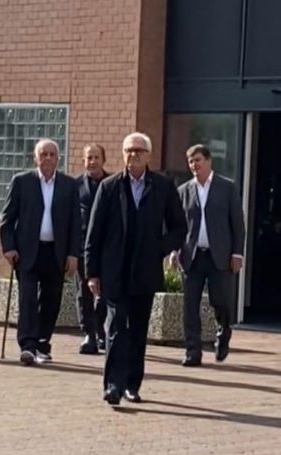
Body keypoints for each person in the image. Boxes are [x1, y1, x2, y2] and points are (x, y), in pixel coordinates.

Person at [85, 132, 186, 405]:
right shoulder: (109, 187)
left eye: (139, 150)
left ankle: (132, 384)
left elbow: (179, 227)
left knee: (139, 330)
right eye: (129, 150)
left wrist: (160, 247)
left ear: (148, 155)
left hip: (145, 270)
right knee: (116, 326)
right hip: (114, 270)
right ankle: (113, 385)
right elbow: (94, 233)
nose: (134, 155)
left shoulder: (163, 186)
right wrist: (92, 272)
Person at [0, 138, 80, 366]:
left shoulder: (69, 185)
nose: (47, 158)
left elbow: (76, 222)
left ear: (58, 158)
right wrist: (9, 247)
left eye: (52, 154)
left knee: (51, 300)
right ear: (35, 158)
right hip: (27, 252)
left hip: (56, 252)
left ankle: (42, 344)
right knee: (27, 298)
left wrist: (73, 253)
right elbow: (7, 218)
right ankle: (27, 345)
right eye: (43, 154)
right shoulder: (22, 182)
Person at [169, 144, 245, 367]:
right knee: (190, 305)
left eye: (198, 160)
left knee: (220, 300)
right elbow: (176, 225)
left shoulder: (227, 187)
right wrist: (174, 250)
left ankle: (224, 331)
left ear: (209, 161)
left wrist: (237, 253)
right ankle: (192, 351)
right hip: (192, 256)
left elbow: (237, 223)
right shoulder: (184, 191)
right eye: (191, 161)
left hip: (218, 255)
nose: (194, 165)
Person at [75, 144, 109, 354]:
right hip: (82, 248)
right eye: (89, 158)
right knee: (83, 292)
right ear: (84, 161)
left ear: (103, 160)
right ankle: (89, 333)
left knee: (105, 291)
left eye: (96, 157)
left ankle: (101, 330)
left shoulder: (113, 183)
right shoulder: (75, 186)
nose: (93, 161)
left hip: (107, 248)